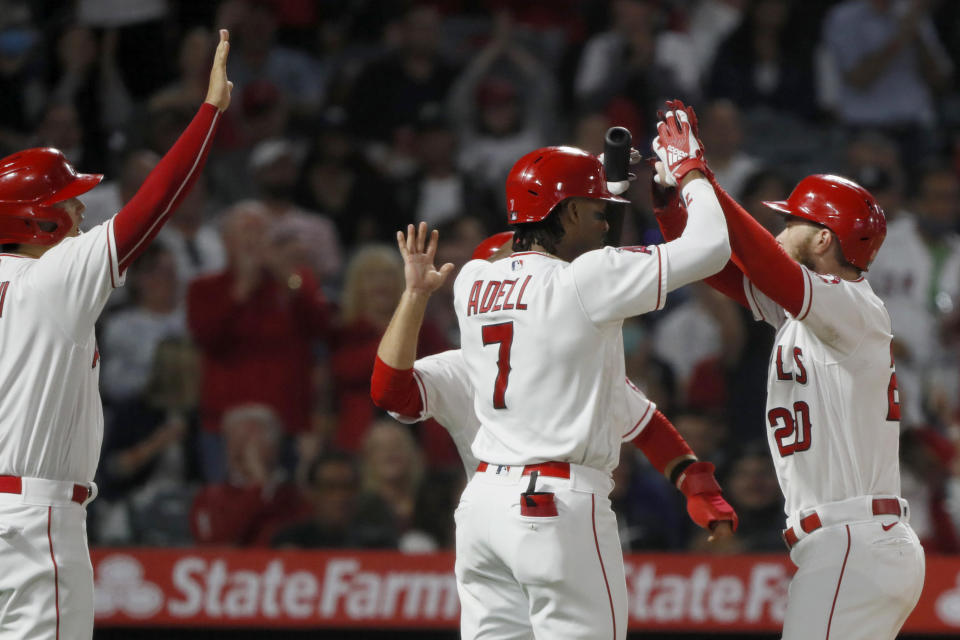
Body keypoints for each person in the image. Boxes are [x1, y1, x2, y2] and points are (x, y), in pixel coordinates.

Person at [653, 99, 925, 640]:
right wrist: (670, 197)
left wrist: (699, 174)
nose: (780, 227)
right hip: (854, 542)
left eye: (792, 221)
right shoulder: (815, 310)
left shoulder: (851, 304)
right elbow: (717, 265)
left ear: (824, 238)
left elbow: (761, 260)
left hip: (853, 539)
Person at [0, 28, 232, 640]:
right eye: (70, 201)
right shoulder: (51, 278)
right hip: (32, 518)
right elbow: (152, 207)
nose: (83, 211)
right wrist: (208, 115)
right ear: (37, 217)